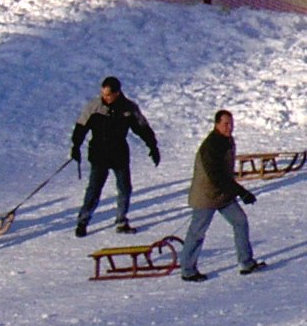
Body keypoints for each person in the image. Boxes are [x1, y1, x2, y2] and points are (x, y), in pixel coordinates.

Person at [177, 110, 262, 282]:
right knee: (197, 232)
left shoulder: (227, 140)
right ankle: (187, 270)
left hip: (223, 193)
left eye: (231, 123)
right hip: (206, 195)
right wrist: (241, 192)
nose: (229, 127)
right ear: (216, 124)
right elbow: (217, 176)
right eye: (225, 124)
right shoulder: (211, 146)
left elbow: (224, 176)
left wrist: (236, 191)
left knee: (240, 221)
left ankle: (246, 262)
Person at [70, 76, 161, 237]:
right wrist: (76, 146)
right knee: (94, 189)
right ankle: (83, 221)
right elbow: (81, 126)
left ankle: (121, 221)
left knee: (124, 189)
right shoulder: (94, 106)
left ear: (117, 93)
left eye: (108, 95)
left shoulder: (129, 108)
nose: (105, 98)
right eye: (103, 94)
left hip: (119, 153)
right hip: (99, 154)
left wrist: (152, 146)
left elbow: (142, 128)